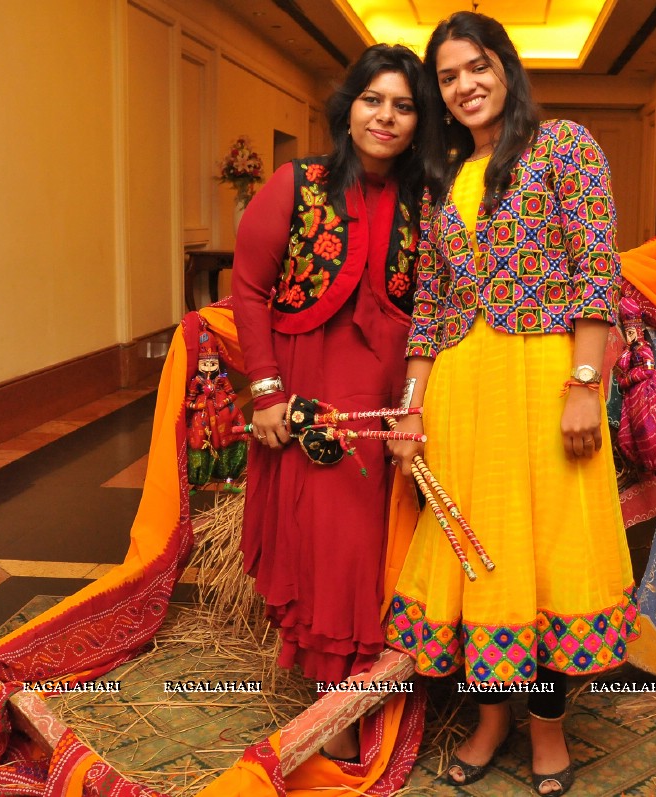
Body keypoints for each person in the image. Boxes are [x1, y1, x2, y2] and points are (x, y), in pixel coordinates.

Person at [385, 12, 638, 796]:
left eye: (475, 66)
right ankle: (491, 716)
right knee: (477, 558)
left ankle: (547, 727)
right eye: (448, 76)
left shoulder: (564, 146)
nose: (464, 85)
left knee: (546, 562)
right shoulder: (440, 178)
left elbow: (596, 270)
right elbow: (430, 304)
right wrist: (409, 406)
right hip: (462, 395)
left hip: (541, 386)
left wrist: (584, 386)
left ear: (506, 65)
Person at [232, 43, 425, 762]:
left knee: (380, 543)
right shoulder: (296, 183)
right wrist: (265, 390)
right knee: (333, 542)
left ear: (417, 120)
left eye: (403, 105)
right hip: (313, 390)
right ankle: (335, 704)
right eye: (373, 100)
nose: (386, 116)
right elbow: (249, 288)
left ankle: (380, 680)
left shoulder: (425, 196)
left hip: (389, 391)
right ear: (348, 109)